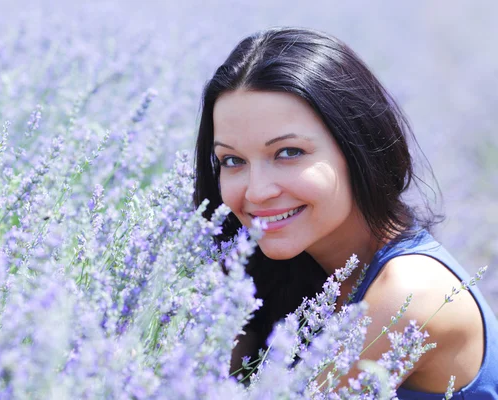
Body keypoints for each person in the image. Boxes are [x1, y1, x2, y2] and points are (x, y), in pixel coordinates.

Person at [193, 27, 498, 397]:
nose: (257, 191)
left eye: (288, 153)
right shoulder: (298, 268)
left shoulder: (410, 294)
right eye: (232, 160)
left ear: (359, 148)